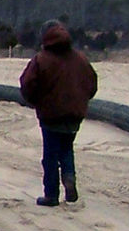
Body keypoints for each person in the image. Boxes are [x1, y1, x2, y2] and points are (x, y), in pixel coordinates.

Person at [18, 20, 98, 207]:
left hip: (51, 114)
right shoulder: (81, 59)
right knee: (66, 149)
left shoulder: (41, 59)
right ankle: (69, 179)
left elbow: (27, 85)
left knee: (50, 156)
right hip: (75, 114)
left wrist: (36, 102)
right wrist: (81, 101)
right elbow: (92, 84)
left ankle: (51, 195)